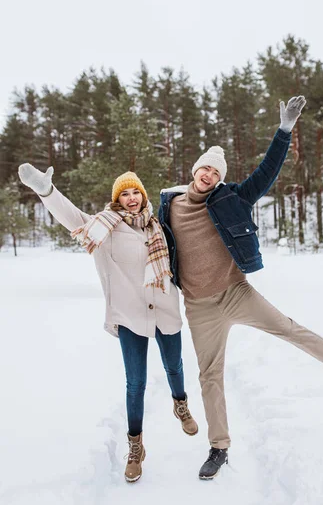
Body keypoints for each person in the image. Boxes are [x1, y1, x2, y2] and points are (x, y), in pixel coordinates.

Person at [158, 96, 323, 480]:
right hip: (198, 306)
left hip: (236, 292)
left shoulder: (232, 197)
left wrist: (284, 131)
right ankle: (219, 447)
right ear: (195, 170)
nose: (209, 176)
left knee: (289, 329)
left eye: (216, 172)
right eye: (205, 169)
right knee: (209, 375)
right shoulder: (169, 205)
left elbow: (266, 173)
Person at [17, 166, 198, 483]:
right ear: (117, 200)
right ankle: (136, 447)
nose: (131, 198)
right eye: (124, 193)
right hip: (130, 316)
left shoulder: (159, 227)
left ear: (143, 195)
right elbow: (72, 217)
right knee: (135, 383)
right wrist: (46, 191)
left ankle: (180, 403)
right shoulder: (105, 228)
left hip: (165, 309)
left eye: (135, 192)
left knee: (174, 366)